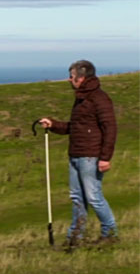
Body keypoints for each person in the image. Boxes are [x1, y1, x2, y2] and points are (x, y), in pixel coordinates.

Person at [39, 59, 118, 245]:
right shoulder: (81, 98)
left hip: (91, 156)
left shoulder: (99, 98)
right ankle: (75, 237)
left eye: (72, 76)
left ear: (81, 78)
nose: (69, 80)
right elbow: (75, 127)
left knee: (93, 196)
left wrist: (105, 158)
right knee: (77, 197)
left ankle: (110, 233)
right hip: (76, 154)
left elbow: (110, 128)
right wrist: (53, 125)